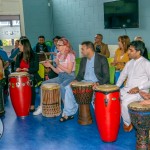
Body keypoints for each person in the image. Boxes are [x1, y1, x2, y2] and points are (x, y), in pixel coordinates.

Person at [59, 41, 110, 122]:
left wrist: (98, 83)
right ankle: (68, 113)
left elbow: (106, 77)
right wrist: (75, 81)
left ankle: (99, 113)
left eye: (83, 49)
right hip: (84, 82)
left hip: (96, 83)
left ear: (89, 49)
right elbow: (79, 75)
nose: (81, 51)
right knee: (68, 87)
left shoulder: (102, 59)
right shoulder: (83, 60)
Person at [33, 38, 76, 115]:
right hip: (60, 76)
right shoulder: (59, 55)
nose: (57, 46)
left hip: (70, 77)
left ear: (65, 46)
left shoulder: (70, 55)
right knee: (43, 84)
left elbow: (69, 71)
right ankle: (41, 106)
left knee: (62, 86)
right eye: (57, 45)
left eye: (59, 45)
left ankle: (67, 109)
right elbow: (58, 71)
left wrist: (58, 64)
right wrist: (50, 66)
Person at [116, 40, 150, 132]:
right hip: (127, 89)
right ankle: (116, 120)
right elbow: (122, 76)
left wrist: (139, 88)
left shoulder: (146, 63)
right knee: (113, 98)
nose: (128, 52)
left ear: (138, 52)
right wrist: (115, 88)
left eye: (131, 50)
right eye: (128, 50)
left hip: (140, 92)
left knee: (124, 103)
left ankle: (128, 123)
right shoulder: (129, 63)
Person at [15, 36, 42, 112]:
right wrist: (17, 68)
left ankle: (32, 105)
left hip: (31, 76)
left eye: (20, 45)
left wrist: (28, 70)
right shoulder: (19, 55)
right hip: (20, 77)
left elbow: (36, 68)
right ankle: (23, 103)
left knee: (30, 83)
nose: (18, 46)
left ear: (25, 46)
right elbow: (16, 66)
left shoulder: (34, 55)